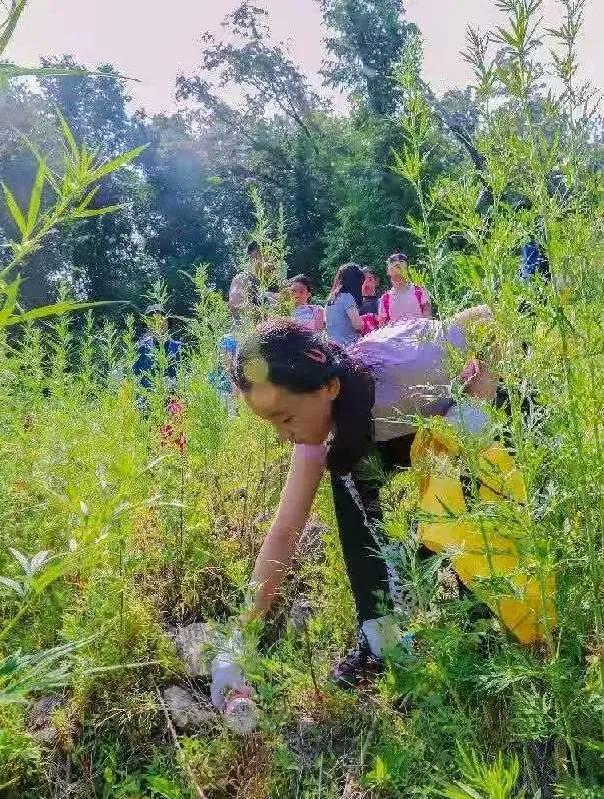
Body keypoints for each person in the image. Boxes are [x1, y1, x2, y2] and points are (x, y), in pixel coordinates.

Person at [211, 305, 495, 702]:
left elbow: (488, 320)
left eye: (285, 419)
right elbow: (285, 529)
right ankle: (381, 640)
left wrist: (476, 404)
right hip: (390, 433)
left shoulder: (409, 363)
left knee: (467, 503)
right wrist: (238, 636)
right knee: (347, 475)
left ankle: (483, 623)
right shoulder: (318, 435)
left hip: (468, 415)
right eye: (272, 425)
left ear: (328, 387)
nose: (282, 436)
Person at [133, 304, 183, 394]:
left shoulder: (179, 347)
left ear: (168, 323)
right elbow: (132, 375)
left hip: (173, 400)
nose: (158, 324)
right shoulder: (141, 348)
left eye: (162, 319)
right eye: (152, 321)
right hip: (146, 400)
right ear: (147, 325)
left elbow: (187, 376)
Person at [378, 253, 431, 326]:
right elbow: (382, 326)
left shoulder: (419, 290)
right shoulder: (385, 299)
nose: (398, 263)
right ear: (388, 271)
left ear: (407, 269)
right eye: (394, 263)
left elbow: (428, 318)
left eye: (401, 262)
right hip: (396, 336)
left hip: (419, 334)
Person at [324, 262, 365, 347]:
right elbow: (357, 325)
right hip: (348, 346)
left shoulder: (331, 299)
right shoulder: (347, 297)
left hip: (332, 345)